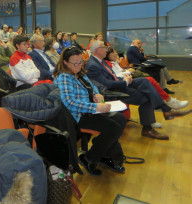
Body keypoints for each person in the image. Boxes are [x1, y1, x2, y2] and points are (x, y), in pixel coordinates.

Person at [86, 41, 192, 140]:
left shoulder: (100, 61)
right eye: (104, 48)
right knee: (147, 97)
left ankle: (166, 110)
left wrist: (124, 79)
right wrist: (125, 82)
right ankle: (149, 127)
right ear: (97, 50)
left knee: (144, 81)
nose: (106, 49)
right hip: (111, 91)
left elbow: (112, 77)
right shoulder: (93, 65)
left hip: (118, 84)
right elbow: (107, 84)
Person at [54, 46, 126, 175]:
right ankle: (90, 158)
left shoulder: (79, 74)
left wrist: (96, 94)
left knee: (120, 119)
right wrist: (95, 107)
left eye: (80, 62)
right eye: (74, 63)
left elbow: (92, 87)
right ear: (65, 62)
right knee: (113, 128)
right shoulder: (64, 78)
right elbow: (69, 103)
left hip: (88, 110)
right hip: (76, 116)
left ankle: (103, 153)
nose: (78, 65)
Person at [105, 47, 188, 110]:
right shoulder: (109, 64)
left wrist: (126, 70)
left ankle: (166, 102)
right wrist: (128, 72)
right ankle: (168, 101)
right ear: (107, 55)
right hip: (126, 81)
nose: (116, 54)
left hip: (130, 76)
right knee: (150, 80)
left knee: (151, 80)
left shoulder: (114, 62)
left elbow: (121, 71)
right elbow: (116, 76)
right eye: (113, 52)